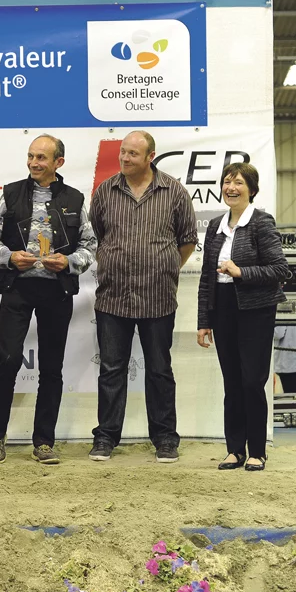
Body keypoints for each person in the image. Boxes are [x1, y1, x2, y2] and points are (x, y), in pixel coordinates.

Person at [0, 135, 97, 464]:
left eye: (42, 158)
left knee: (51, 368)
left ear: (58, 162)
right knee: (8, 359)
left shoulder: (74, 198)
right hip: (17, 287)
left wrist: (69, 263)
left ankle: (44, 441)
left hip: (56, 291)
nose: (34, 163)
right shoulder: (10, 193)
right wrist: (8, 257)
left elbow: (90, 246)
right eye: (31, 156)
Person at [89, 131, 198, 463]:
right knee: (111, 370)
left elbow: (188, 240)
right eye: (122, 152)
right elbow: (98, 234)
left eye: (133, 154)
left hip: (158, 298)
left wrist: (164, 269)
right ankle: (106, 437)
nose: (124, 158)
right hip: (113, 299)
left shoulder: (174, 192)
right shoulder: (105, 191)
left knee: (159, 370)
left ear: (150, 156)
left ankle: (165, 438)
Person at [196, 162, 289, 472]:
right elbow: (206, 279)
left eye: (237, 182)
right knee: (232, 383)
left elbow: (280, 270)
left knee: (252, 381)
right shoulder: (215, 226)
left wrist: (240, 272)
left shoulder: (262, 223)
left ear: (251, 189)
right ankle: (235, 450)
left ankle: (257, 451)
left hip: (256, 310)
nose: (230, 188)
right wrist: (203, 321)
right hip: (222, 308)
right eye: (226, 182)